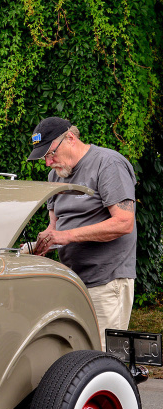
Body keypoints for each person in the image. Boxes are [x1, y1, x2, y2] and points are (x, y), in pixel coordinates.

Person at [28, 117, 138, 349]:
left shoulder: (108, 164)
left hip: (106, 281)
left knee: (105, 359)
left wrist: (65, 237)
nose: (48, 163)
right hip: (71, 282)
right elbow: (54, 227)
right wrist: (42, 243)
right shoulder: (56, 175)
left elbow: (124, 223)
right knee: (74, 360)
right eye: (44, 158)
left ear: (70, 138)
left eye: (50, 153)